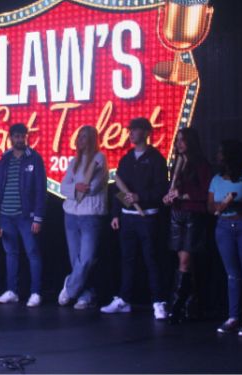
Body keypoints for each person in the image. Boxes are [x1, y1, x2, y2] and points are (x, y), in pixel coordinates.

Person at [101, 118, 169, 320]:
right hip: (128, 218)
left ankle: (158, 301)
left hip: (148, 218)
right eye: (130, 130)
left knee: (151, 260)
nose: (131, 133)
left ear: (146, 132)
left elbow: (161, 190)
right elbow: (119, 189)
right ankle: (124, 300)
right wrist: (116, 212)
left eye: (135, 130)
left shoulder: (156, 159)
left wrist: (140, 198)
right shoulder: (126, 159)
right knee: (127, 260)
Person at [208, 139, 242, 336]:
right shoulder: (216, 178)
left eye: (221, 152)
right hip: (223, 226)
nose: (218, 156)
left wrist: (236, 202)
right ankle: (233, 317)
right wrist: (219, 206)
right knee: (232, 275)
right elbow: (210, 205)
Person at [0, 123, 47, 307]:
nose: (20, 139)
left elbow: (40, 190)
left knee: (33, 253)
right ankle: (12, 291)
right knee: (10, 254)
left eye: (23, 136)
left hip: (26, 216)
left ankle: (36, 293)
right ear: (11, 138)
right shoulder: (4, 159)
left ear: (26, 137)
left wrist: (38, 217)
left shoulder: (34, 159)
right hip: (5, 215)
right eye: (16, 136)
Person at [161, 128, 211, 324]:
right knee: (182, 261)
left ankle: (176, 306)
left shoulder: (201, 164)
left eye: (183, 140)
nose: (179, 143)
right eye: (178, 140)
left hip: (193, 214)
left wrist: (184, 196)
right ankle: (189, 307)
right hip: (176, 213)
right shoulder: (176, 164)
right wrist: (169, 197)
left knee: (185, 260)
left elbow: (207, 193)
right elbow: (173, 189)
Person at [58, 125, 108, 310]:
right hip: (70, 214)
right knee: (76, 259)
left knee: (86, 258)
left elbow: (92, 187)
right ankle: (86, 295)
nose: (80, 139)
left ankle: (70, 289)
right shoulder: (74, 162)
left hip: (91, 216)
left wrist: (79, 187)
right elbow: (64, 187)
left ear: (92, 139)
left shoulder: (99, 159)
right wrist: (75, 188)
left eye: (84, 136)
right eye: (79, 136)